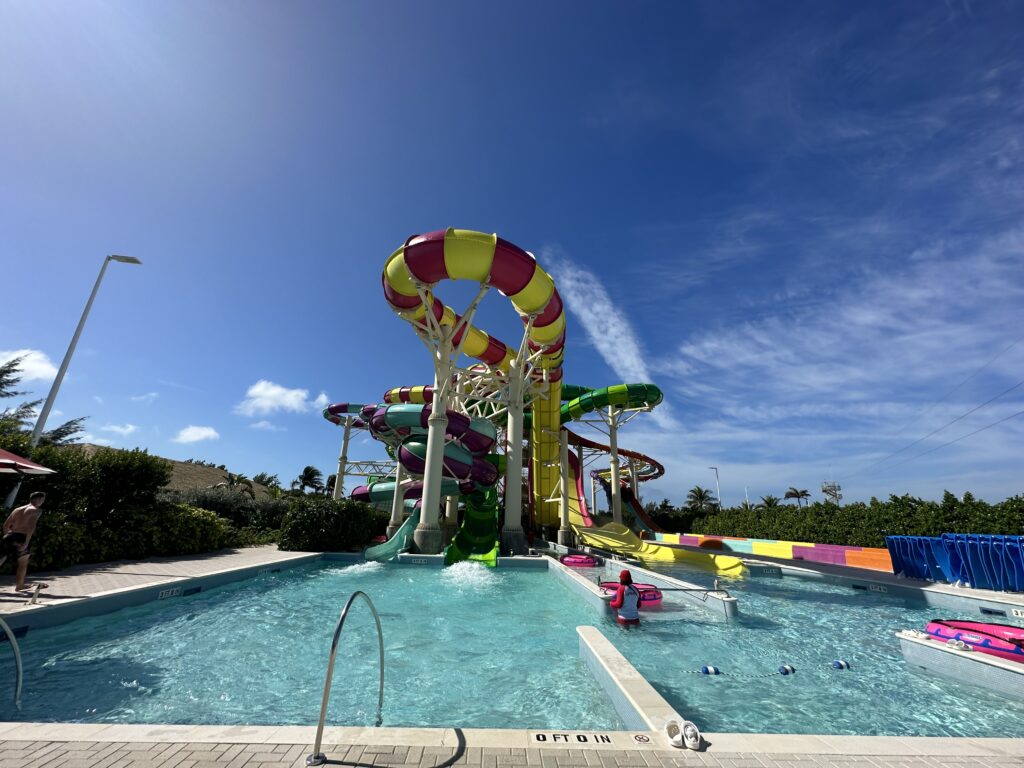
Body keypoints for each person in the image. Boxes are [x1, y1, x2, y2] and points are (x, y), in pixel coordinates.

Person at [1, 491, 47, 592]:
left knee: (1, 559)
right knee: (23, 562)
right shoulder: (36, 510)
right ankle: (19, 586)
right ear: (38, 499)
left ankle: (20, 586)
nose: (42, 502)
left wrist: (8, 536)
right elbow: (31, 527)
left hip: (9, 536)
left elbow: (5, 525)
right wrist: (26, 542)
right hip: (21, 538)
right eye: (42, 499)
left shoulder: (17, 509)